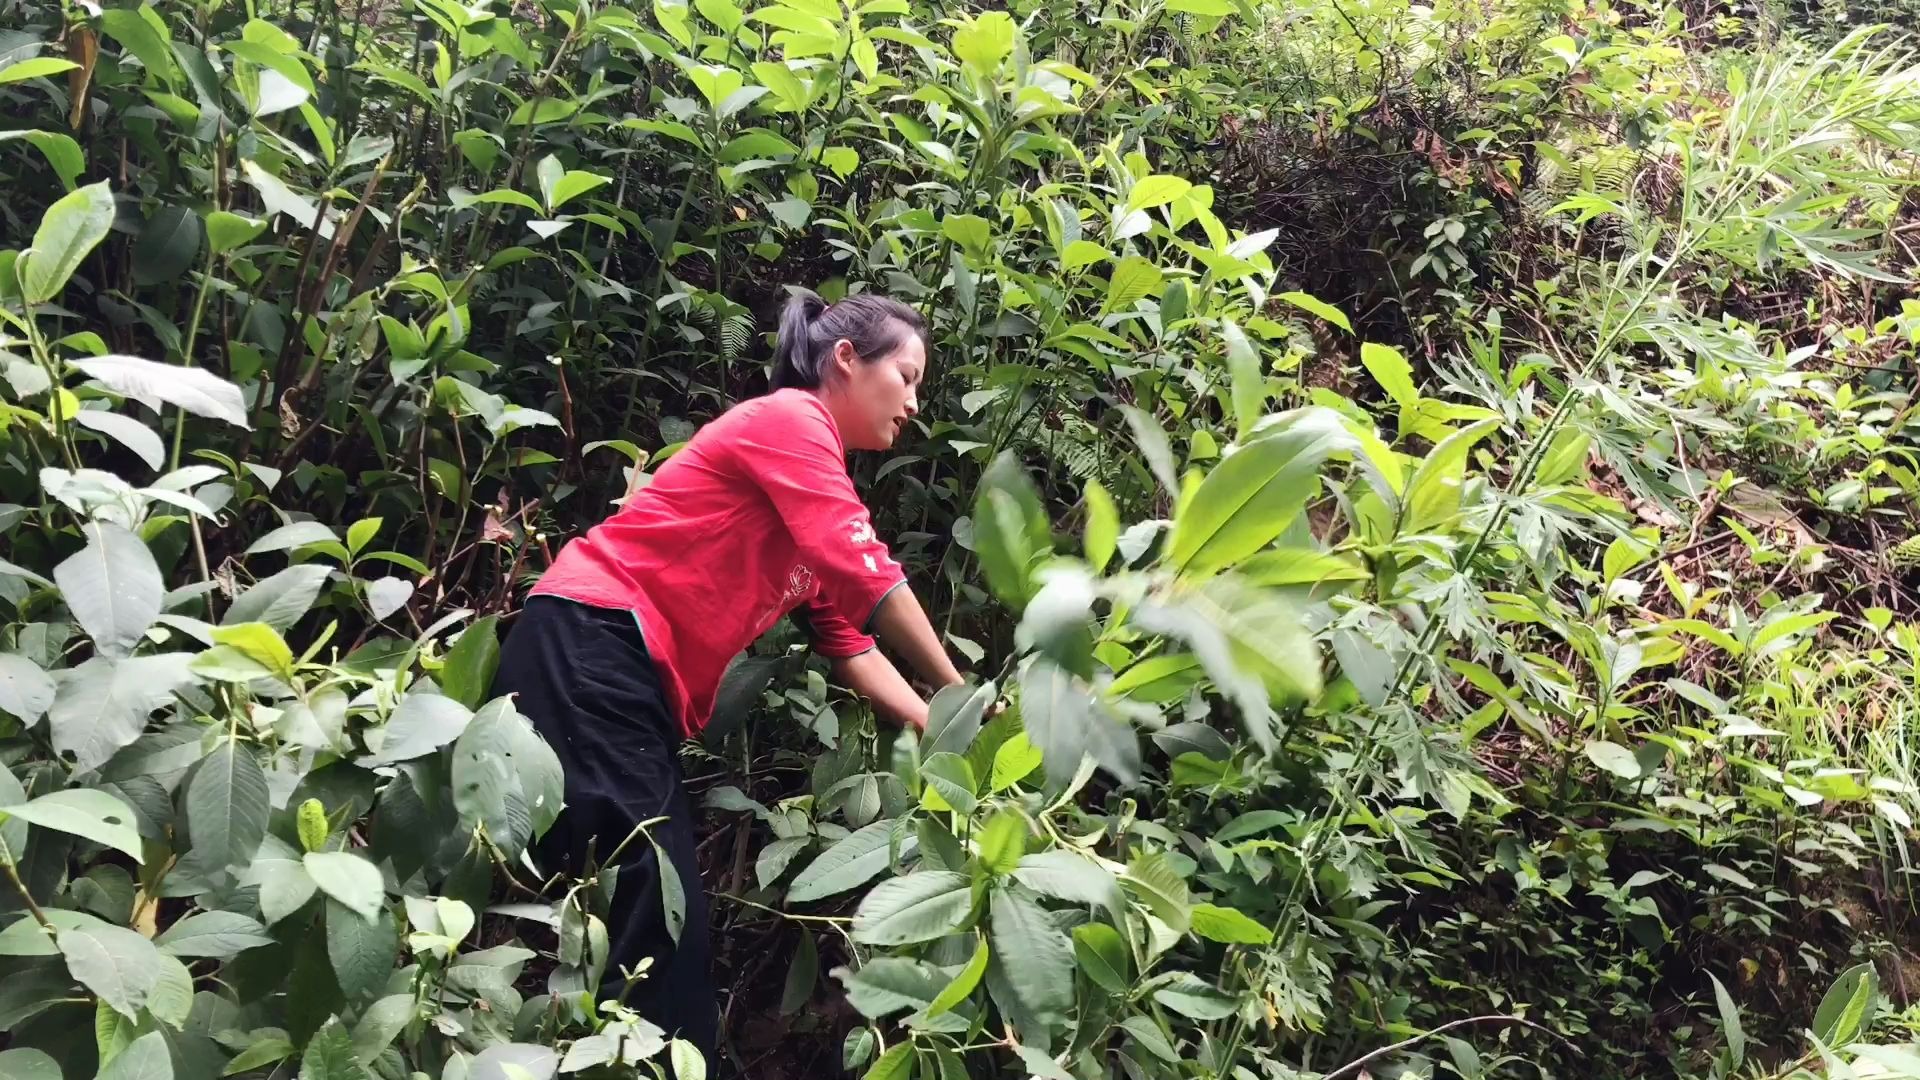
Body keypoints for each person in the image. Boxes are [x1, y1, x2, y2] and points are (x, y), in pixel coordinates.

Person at [489, 287, 969, 1063]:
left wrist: (940, 727)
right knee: (662, 912)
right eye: (906, 376)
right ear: (844, 359)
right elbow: (865, 566)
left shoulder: (811, 485)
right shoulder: (792, 420)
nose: (913, 402)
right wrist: (957, 689)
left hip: (611, 672)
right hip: (591, 643)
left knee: (622, 908)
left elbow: (851, 645)